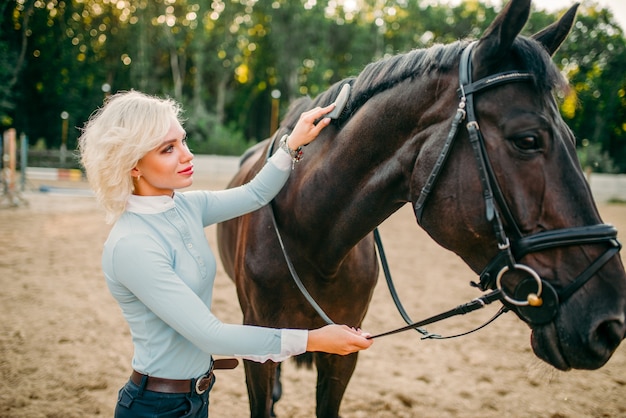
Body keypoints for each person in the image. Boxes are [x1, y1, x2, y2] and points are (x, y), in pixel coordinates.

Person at [78, 90, 373, 418]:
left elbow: (255, 193)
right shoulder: (132, 245)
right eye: (168, 149)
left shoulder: (186, 206)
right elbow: (211, 335)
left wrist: (292, 144)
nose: (188, 156)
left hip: (196, 397)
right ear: (132, 165)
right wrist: (315, 340)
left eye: (183, 141)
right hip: (155, 406)